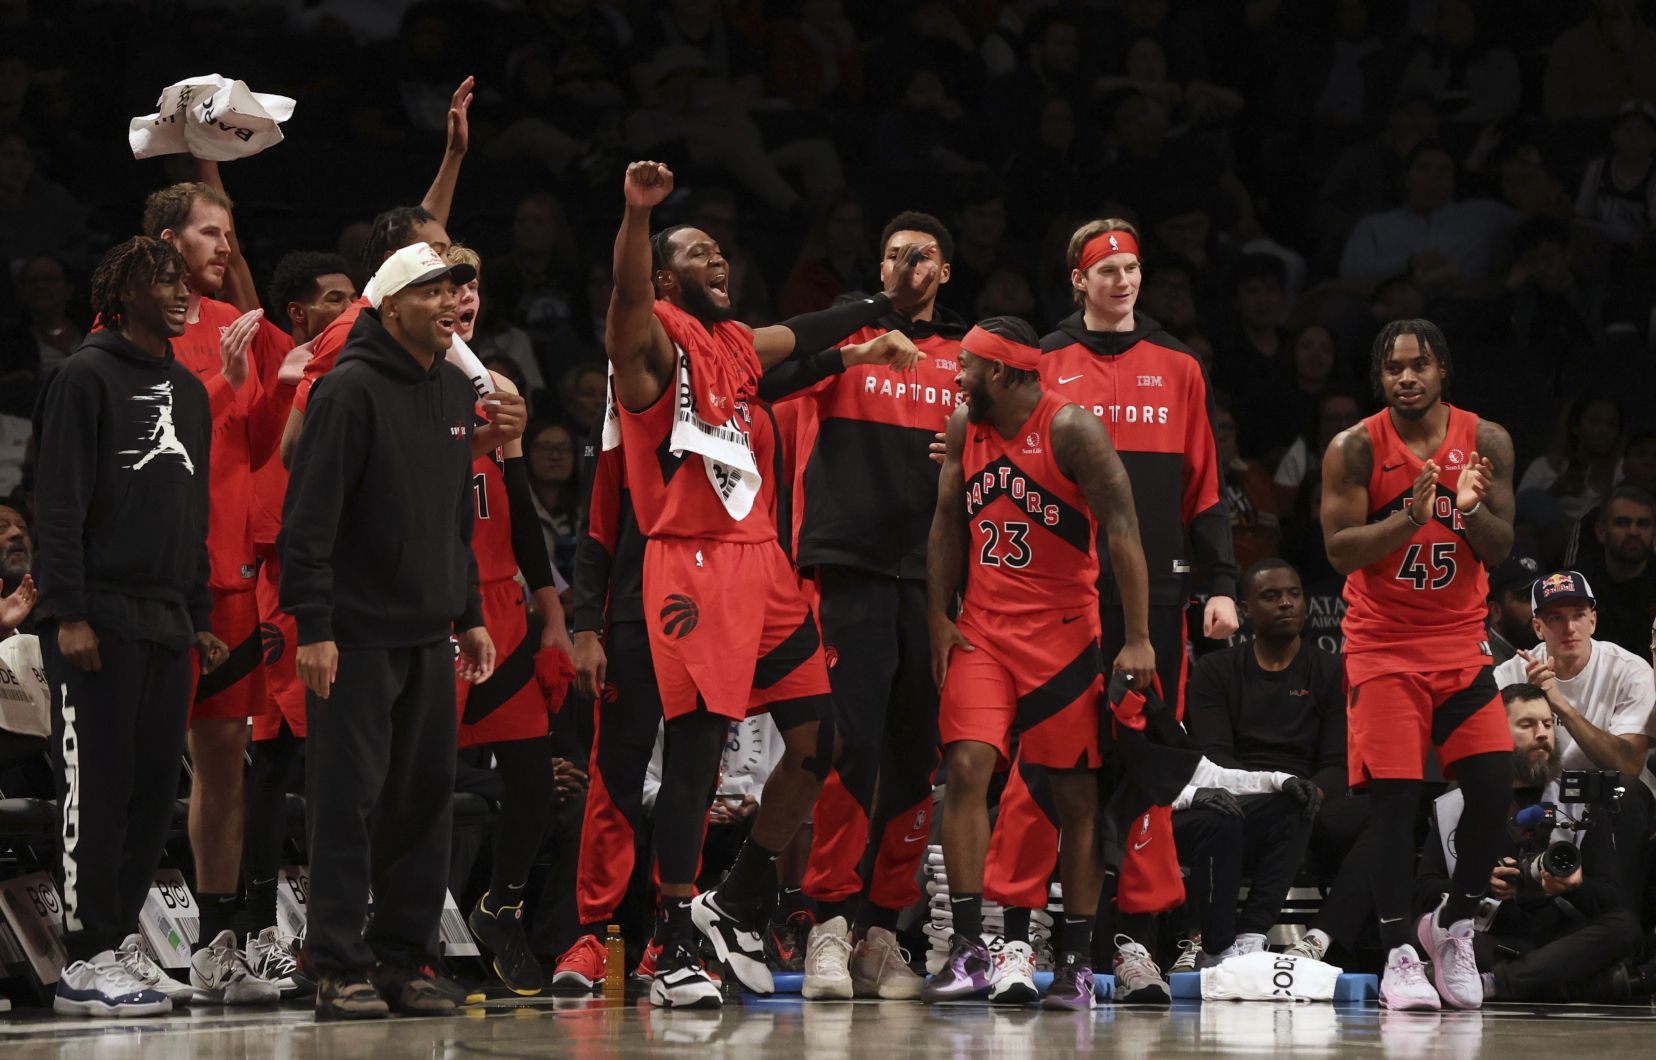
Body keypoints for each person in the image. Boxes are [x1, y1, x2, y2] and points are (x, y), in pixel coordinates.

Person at [601, 159, 931, 1009]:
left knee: (819, 740)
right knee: (700, 754)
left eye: (723, 251)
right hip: (691, 565)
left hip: (763, 565)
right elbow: (630, 292)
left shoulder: (735, 348)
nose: (721, 260)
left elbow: (808, 332)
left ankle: (739, 898)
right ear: (669, 274)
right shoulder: (648, 343)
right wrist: (640, 216)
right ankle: (670, 940)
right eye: (700, 251)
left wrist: (876, 323)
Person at [983, 217, 1237, 998]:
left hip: (1155, 599)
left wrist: (1221, 582)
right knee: (1042, 766)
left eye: (1132, 267)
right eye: (1107, 269)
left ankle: (1133, 946)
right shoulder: (1043, 361)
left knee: (1145, 769)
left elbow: (1205, 489)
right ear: (1078, 281)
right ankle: (1017, 944)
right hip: (1054, 600)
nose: (1123, 280)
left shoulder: (1180, 366)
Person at [279, 242, 496, 1020]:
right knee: (346, 804)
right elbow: (307, 524)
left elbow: (450, 521)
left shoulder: (450, 393)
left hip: (428, 634)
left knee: (423, 801)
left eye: (455, 292)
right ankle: (337, 965)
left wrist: (467, 613)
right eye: (433, 291)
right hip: (355, 636)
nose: (450, 305)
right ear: (392, 304)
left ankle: (406, 960)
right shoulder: (348, 392)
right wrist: (315, 626)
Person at [925, 316, 1153, 1012]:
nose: (955, 376)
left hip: (1060, 632)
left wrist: (1137, 637)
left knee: (1073, 798)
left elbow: (1123, 531)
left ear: (1001, 372)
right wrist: (938, 612)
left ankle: (1076, 962)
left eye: (965, 365)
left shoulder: (1072, 429)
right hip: (983, 631)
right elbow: (946, 522)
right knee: (966, 767)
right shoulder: (967, 426)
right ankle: (969, 950)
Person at [33, 236, 225, 1016]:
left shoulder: (190, 389)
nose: (183, 293)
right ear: (123, 289)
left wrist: (199, 614)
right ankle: (84, 959)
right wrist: (68, 610)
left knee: (152, 799)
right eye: (165, 280)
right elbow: (57, 501)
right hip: (97, 616)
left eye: (186, 281)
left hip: (166, 620)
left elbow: (193, 514)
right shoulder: (84, 374)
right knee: (96, 791)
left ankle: (119, 944)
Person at [1321, 317, 1518, 1011]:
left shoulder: (1486, 440)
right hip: (1383, 647)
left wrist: (1463, 512)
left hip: (1460, 644)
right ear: (1380, 378)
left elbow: (1499, 549)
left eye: (1419, 366)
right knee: (1396, 804)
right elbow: (1340, 550)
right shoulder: (1353, 448)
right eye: (1393, 368)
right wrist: (1410, 516)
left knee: (1496, 788)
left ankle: (1451, 924)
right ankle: (1399, 952)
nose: (1406, 377)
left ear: (1442, 372)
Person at [793, 211, 965, 1003]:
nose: (905, 266)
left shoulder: (968, 359)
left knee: (914, 761)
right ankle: (827, 923)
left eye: (921, 255)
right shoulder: (851, 342)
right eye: (892, 255)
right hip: (852, 566)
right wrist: (856, 335)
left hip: (935, 584)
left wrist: (970, 449)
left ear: (946, 271)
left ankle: (882, 934)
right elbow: (761, 377)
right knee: (848, 751)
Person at [142, 177, 297, 1005]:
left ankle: (215, 943)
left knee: (224, 767)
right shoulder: (129, 326)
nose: (225, 247)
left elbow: (268, 435)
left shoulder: (234, 326)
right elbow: (152, 434)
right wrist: (231, 382)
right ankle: (105, 941)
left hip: (234, 582)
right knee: (134, 768)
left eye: (230, 233)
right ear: (168, 241)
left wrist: (263, 380)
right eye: (209, 233)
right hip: (160, 583)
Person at [443, 244, 575, 997]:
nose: (465, 298)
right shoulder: (410, 386)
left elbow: (522, 509)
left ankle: (501, 907)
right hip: (437, 608)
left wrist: (551, 609)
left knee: (532, 780)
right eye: (453, 284)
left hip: (505, 605)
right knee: (420, 784)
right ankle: (413, 931)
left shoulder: (497, 385)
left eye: (476, 286)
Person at [242, 250, 358, 998]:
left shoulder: (357, 371)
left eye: (355, 296)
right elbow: (245, 277)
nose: (352, 307)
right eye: (335, 298)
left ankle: (329, 933)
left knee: (331, 770)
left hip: (332, 584)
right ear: (300, 315)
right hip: (274, 586)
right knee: (273, 769)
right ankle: (255, 934)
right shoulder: (285, 362)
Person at [1417, 683, 1640, 1002]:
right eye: (1527, 724)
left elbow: (1614, 899)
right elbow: (1422, 891)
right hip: (1491, 936)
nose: (1542, 734)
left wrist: (1574, 886)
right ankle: (1564, 983)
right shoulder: (1456, 805)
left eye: (1548, 724)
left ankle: (1495, 984)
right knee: (1425, 929)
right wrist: (1477, 885)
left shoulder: (1581, 804)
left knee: (1624, 927)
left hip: (1561, 937)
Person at [1174, 559, 1343, 967]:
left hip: (1309, 799)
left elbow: (1339, 763)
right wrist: (1277, 785)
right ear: (1246, 610)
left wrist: (1310, 792)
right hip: (1238, 794)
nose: (1286, 604)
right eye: (1271, 596)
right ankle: (1215, 938)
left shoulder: (1333, 669)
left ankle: (1273, 936)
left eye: (1294, 594)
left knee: (1382, 814)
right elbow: (1214, 759)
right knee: (1238, 810)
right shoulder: (1216, 670)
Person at [1493, 570, 1656, 902]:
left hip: (1605, 789)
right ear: (1537, 627)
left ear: (1593, 620)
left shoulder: (1628, 669)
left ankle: (1618, 919)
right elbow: (1493, 759)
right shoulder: (1509, 674)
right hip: (1541, 789)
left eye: (1579, 616)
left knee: (1630, 792)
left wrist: (1558, 703)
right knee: (1472, 791)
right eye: (1556, 618)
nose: (1570, 628)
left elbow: (1628, 763)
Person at [1579, 487, 1656, 657]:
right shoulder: (1579, 584)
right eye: (1622, 523)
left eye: (1643, 524)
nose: (1634, 532)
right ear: (1601, 532)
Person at [1486, 552, 1542, 666]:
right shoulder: (1486, 667)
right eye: (1525, 598)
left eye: (1540, 596)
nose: (1537, 606)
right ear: (1495, 611)